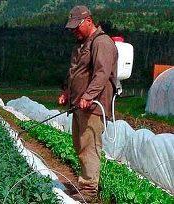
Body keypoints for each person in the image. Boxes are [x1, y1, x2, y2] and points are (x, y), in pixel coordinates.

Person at [59, 5, 118, 202]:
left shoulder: (102, 43)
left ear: (89, 21)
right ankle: (86, 184)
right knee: (79, 145)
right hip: (79, 105)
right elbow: (74, 72)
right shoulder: (80, 44)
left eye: (77, 26)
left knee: (89, 146)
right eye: (72, 27)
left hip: (93, 106)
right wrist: (67, 92)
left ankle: (89, 190)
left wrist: (88, 96)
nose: (74, 30)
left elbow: (101, 74)